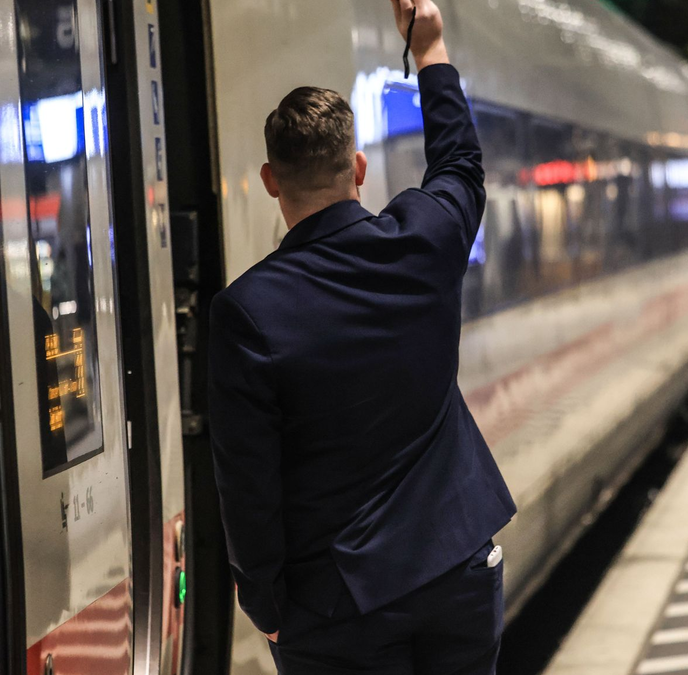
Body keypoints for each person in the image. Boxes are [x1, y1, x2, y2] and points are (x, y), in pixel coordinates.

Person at [207, 1, 517, 673]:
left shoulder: (247, 312)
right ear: (358, 168)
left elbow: (247, 483)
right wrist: (429, 49)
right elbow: (460, 164)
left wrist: (268, 606)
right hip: (458, 569)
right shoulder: (422, 242)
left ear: (269, 182)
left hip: (338, 606)